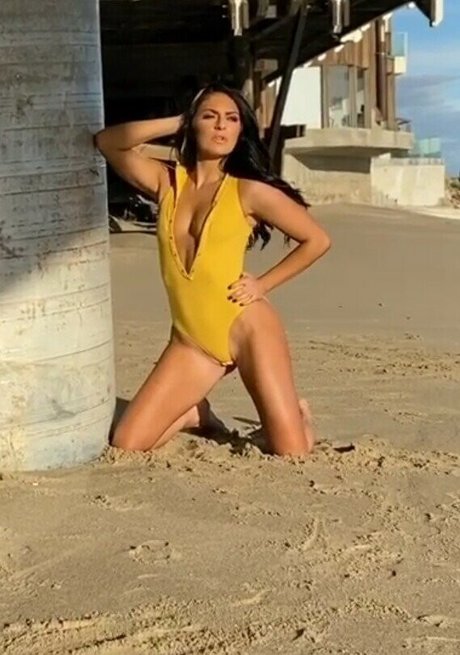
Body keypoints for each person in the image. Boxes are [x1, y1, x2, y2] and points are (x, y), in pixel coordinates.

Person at [95, 83, 331, 457]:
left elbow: (316, 240)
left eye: (232, 119)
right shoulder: (167, 182)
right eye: (210, 116)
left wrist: (263, 284)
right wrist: (178, 121)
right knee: (128, 443)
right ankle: (195, 413)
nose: (221, 126)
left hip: (247, 326)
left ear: (240, 131)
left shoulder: (248, 191)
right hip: (192, 340)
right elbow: (109, 142)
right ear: (193, 124)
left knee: (292, 451)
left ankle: (299, 415)